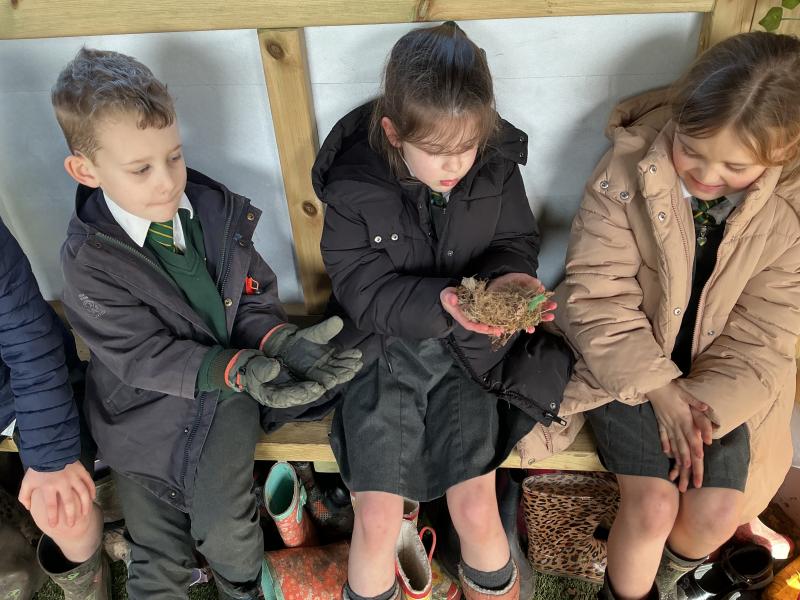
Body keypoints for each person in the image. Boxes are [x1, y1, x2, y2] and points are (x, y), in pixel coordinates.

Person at [53, 47, 362, 599]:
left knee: (227, 532)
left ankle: (240, 588)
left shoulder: (213, 211)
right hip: (139, 414)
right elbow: (140, 355)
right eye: (141, 169)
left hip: (227, 396)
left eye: (174, 156)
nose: (167, 181)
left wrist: (275, 338)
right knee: (157, 551)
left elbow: (250, 293)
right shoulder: (89, 261)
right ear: (85, 170)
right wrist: (234, 366)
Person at [552, 31, 800, 600]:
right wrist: (660, 390)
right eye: (691, 150)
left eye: (735, 165)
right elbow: (596, 292)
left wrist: (697, 410)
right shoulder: (627, 171)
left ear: (781, 155)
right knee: (653, 507)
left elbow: (765, 335)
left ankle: (666, 585)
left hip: (721, 386)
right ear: (680, 121)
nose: (707, 175)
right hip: (625, 365)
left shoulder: (788, 216)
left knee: (715, 512)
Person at [312, 21, 555, 600]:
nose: (456, 165)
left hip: (466, 356)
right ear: (394, 133)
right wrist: (440, 302)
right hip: (381, 353)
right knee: (377, 519)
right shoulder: (353, 187)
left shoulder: (496, 165)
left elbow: (515, 241)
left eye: (468, 147)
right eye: (437, 152)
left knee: (476, 508)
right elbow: (361, 289)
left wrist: (511, 281)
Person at [0, 215, 107, 598]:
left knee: (64, 513)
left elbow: (28, 338)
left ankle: (87, 585)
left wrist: (51, 462)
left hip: (22, 393)